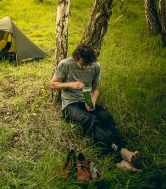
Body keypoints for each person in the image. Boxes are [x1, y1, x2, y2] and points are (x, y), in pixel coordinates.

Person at [50, 43, 140, 171]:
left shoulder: (95, 66)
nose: (85, 67)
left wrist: (92, 100)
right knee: (91, 121)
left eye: (88, 64)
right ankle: (119, 159)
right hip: (70, 104)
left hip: (86, 100)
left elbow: (96, 88)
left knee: (106, 117)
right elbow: (53, 84)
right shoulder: (65, 64)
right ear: (76, 58)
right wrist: (71, 84)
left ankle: (124, 151)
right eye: (82, 64)